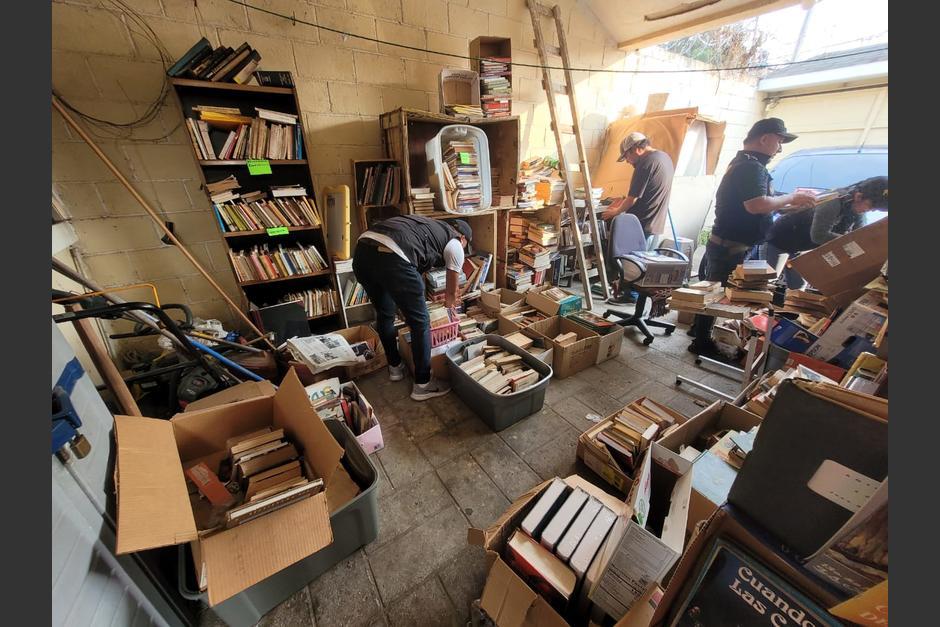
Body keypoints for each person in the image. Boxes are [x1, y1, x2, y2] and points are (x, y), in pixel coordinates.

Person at [689, 118, 817, 357]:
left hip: (735, 243)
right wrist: (790, 198)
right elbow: (756, 205)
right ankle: (701, 342)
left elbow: (761, 203)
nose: (779, 148)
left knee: (715, 291)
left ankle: (699, 330)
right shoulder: (750, 167)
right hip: (731, 246)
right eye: (779, 142)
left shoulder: (749, 165)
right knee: (717, 294)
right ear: (765, 138)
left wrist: (788, 205)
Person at [352, 215, 472, 401]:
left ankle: (395, 367)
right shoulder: (456, 243)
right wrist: (448, 312)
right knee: (420, 323)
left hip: (363, 252)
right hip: (393, 257)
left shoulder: (430, 227)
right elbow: (450, 295)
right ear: (463, 238)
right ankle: (423, 384)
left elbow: (415, 265)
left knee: (385, 314)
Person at [764, 176, 889, 288]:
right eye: (871, 207)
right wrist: (851, 244)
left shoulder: (857, 209)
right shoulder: (833, 201)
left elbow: (858, 236)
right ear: (858, 196)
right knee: (767, 282)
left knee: (798, 288)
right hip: (781, 240)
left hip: (803, 247)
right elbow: (819, 235)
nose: (871, 211)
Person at [601, 131, 676, 303]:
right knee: (643, 263)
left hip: (642, 222)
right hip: (655, 221)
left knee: (633, 264)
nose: (628, 161)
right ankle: (633, 295)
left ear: (636, 149)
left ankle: (631, 295)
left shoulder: (645, 163)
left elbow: (633, 198)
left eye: (627, 156)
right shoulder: (664, 157)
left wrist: (615, 212)